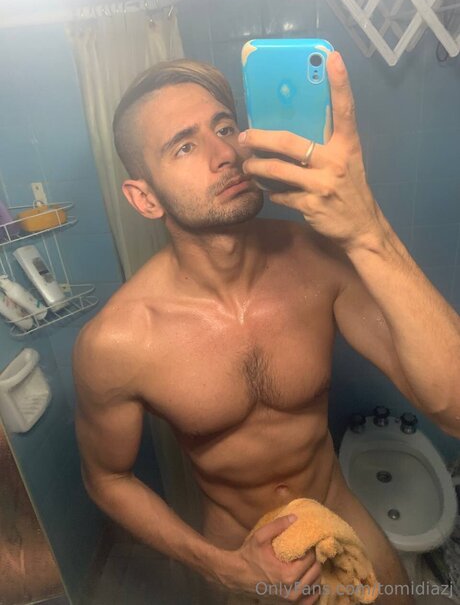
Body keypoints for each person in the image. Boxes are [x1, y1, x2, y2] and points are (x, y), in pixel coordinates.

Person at [72, 50, 460, 605]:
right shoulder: (119, 341)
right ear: (145, 198)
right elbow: (106, 479)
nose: (225, 154)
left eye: (224, 127)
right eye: (184, 146)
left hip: (338, 510)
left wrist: (367, 230)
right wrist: (220, 567)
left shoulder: (319, 260)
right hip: (238, 547)